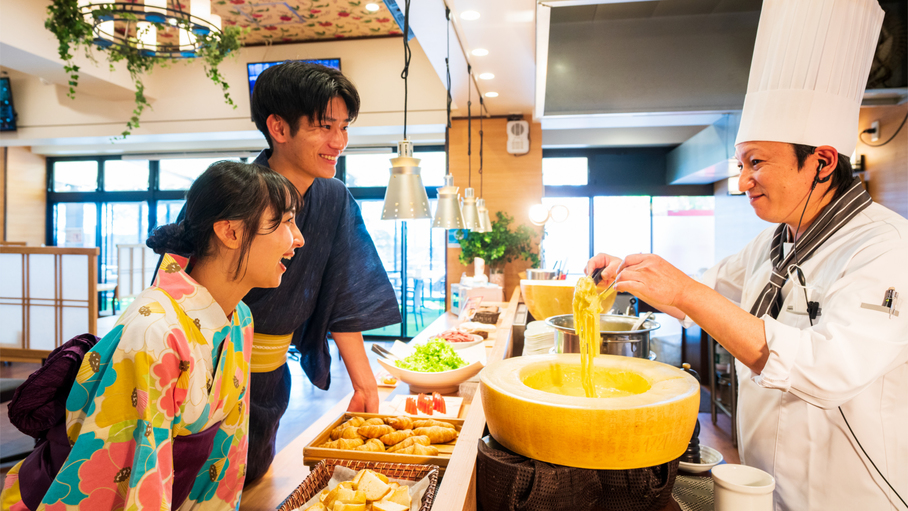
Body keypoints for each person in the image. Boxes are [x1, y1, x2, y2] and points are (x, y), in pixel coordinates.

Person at [587, 1, 907, 509]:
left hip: (852, 496)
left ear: (822, 162)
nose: (742, 182)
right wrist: (629, 275)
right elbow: (703, 299)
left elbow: (828, 369)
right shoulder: (776, 240)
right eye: (741, 163)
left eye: (756, 162)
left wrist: (687, 291)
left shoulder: (887, 248)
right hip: (762, 487)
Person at [2, 161, 304, 511]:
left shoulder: (240, 320)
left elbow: (226, 457)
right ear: (230, 232)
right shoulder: (153, 331)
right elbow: (134, 476)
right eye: (283, 222)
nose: (298, 238)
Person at [159, 62, 401, 484]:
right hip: (203, 379)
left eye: (345, 127)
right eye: (325, 127)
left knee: (253, 481)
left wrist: (364, 384)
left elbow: (345, 293)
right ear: (278, 127)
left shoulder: (333, 198)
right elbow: (176, 290)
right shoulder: (232, 194)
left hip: (271, 378)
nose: (338, 141)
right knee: (191, 485)